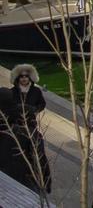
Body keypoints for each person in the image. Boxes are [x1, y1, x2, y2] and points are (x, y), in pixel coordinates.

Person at [8, 64, 50, 193]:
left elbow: (42, 104)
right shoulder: (13, 91)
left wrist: (35, 111)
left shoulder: (36, 91)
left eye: (26, 76)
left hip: (30, 123)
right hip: (16, 123)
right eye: (21, 76)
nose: (24, 79)